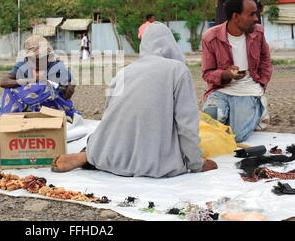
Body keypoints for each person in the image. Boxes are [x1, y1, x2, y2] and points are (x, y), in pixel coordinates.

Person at [52, 23, 218, 176]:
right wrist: (196, 163)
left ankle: (88, 155)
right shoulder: (178, 70)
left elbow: (108, 115)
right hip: (155, 162)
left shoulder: (124, 72)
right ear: (171, 45)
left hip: (111, 154)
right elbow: (186, 124)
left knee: (100, 135)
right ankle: (104, 155)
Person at [201, 0, 273, 143]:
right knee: (210, 124)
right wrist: (227, 74)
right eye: (251, 14)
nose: (256, 18)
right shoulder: (210, 37)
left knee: (237, 136)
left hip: (248, 90)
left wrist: (261, 84)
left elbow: (266, 60)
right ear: (236, 16)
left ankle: (259, 108)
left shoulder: (258, 32)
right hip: (220, 89)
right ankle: (248, 114)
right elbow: (207, 73)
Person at [0, 34, 77, 121]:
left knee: (44, 87)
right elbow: (4, 82)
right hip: (26, 109)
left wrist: (70, 86)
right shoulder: (22, 66)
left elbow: (71, 81)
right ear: (27, 59)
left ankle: (55, 118)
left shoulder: (55, 66)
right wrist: (30, 80)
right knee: (9, 89)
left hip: (52, 109)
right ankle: (12, 119)